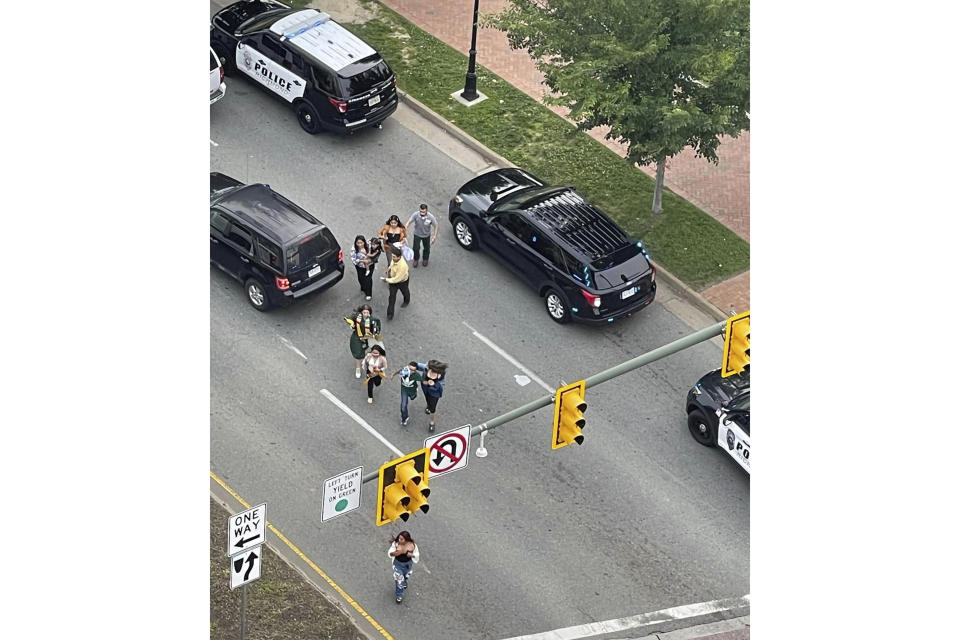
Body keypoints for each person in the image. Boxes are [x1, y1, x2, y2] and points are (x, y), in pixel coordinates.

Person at [346, 305, 381, 379]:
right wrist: (351, 323)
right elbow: (349, 318)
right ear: (361, 312)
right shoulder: (357, 316)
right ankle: (358, 368)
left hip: (369, 338)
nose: (365, 314)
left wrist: (376, 332)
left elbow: (377, 326)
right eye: (364, 312)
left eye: (367, 312)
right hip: (358, 337)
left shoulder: (372, 320)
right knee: (357, 353)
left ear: (369, 313)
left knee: (376, 350)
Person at [387, 531, 420, 604]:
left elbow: (416, 554)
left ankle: (405, 581)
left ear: (406, 539)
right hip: (398, 565)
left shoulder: (412, 545)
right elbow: (390, 553)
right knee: (399, 580)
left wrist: (411, 555)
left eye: (402, 539)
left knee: (406, 575)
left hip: (408, 564)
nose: (399, 540)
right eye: (399, 538)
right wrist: (397, 553)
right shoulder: (396, 544)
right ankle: (399, 595)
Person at [416, 359, 447, 432]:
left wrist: (434, 385)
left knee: (432, 408)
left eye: (428, 365)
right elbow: (417, 366)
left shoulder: (440, 378)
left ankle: (432, 423)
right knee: (427, 400)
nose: (426, 365)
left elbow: (440, 389)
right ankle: (428, 406)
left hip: (434, 394)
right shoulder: (426, 369)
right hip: (426, 389)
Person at [381, 246, 410, 320]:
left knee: (405, 291)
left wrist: (386, 280)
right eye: (392, 256)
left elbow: (397, 279)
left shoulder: (402, 266)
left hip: (402, 281)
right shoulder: (395, 259)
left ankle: (406, 300)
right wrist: (389, 269)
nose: (392, 257)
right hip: (393, 280)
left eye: (394, 256)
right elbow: (392, 263)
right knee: (392, 297)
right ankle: (390, 314)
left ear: (399, 257)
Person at [391, 361, 424, 427]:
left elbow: (423, 381)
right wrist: (393, 375)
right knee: (403, 406)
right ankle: (404, 418)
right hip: (404, 390)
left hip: (412, 390)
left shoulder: (416, 375)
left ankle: (415, 393)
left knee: (413, 397)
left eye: (413, 370)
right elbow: (399, 371)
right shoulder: (404, 370)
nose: (411, 371)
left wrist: (430, 382)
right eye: (410, 369)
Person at [405, 203, 438, 267]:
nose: (422, 213)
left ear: (426, 211)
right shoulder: (416, 215)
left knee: (427, 248)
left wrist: (434, 236)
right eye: (421, 211)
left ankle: (425, 259)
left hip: (426, 235)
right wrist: (406, 226)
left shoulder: (430, 217)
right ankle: (416, 259)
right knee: (416, 248)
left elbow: (436, 226)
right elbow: (409, 221)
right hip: (417, 234)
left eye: (423, 212)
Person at [350, 235, 373, 300]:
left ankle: (368, 294)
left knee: (368, 279)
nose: (360, 245)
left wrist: (367, 256)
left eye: (361, 243)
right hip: (359, 266)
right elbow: (354, 259)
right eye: (358, 243)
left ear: (364, 242)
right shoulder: (354, 249)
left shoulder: (369, 246)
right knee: (361, 278)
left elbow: (374, 255)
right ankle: (363, 287)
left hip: (370, 265)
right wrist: (362, 260)